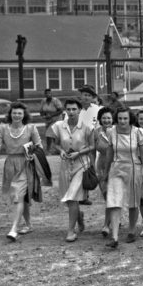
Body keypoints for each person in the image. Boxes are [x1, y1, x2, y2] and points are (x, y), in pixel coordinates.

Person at [0, 102, 43, 241]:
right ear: (10, 114)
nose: (17, 115)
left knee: (18, 195)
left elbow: (39, 147)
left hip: (26, 164)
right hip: (10, 165)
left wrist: (32, 152)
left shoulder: (31, 128)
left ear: (24, 115)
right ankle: (29, 224)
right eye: (14, 113)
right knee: (20, 196)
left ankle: (14, 229)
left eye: (20, 113)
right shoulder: (2, 128)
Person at [104, 107, 143, 248]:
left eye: (125, 118)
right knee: (114, 201)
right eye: (120, 118)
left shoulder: (137, 132)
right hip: (116, 168)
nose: (122, 121)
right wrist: (106, 172)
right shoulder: (111, 132)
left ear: (130, 119)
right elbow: (109, 154)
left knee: (133, 201)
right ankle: (115, 237)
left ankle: (131, 230)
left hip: (134, 168)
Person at [50, 98, 94, 242]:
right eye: (68, 109)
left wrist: (79, 153)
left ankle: (70, 231)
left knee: (72, 196)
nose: (71, 112)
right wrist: (61, 150)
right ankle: (79, 216)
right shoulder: (59, 126)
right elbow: (54, 144)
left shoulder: (87, 126)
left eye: (74, 109)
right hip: (65, 165)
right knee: (69, 200)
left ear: (80, 110)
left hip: (82, 164)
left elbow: (93, 146)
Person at [77, 84, 103, 206]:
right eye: (84, 95)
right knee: (80, 168)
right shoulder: (76, 109)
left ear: (92, 97)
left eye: (89, 95)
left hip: (94, 142)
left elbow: (100, 124)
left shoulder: (97, 109)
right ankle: (82, 195)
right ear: (80, 96)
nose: (86, 98)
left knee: (91, 167)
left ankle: (94, 188)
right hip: (79, 143)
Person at [94, 107, 114, 237]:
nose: (106, 120)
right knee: (107, 196)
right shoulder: (96, 132)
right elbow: (92, 149)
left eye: (109, 118)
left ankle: (106, 225)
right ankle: (113, 219)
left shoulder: (119, 131)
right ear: (100, 119)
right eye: (104, 118)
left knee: (113, 196)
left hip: (116, 165)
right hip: (101, 166)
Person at [38, 88, 63, 152]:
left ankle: (48, 149)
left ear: (51, 94)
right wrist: (43, 115)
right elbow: (41, 110)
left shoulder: (55, 100)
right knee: (53, 135)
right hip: (48, 120)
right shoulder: (43, 101)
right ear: (44, 94)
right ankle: (57, 149)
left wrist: (51, 115)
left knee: (49, 134)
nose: (48, 94)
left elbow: (60, 110)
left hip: (56, 120)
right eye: (46, 93)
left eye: (49, 93)